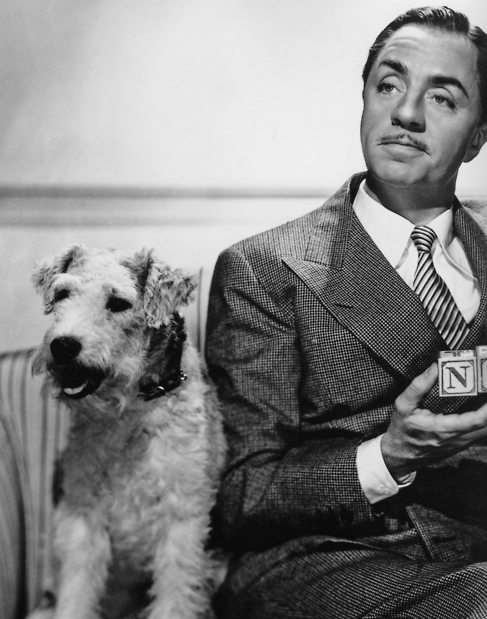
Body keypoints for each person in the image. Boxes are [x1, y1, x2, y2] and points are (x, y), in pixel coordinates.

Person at [205, 6, 487, 618]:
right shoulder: (265, 269)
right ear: (364, 99)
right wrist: (390, 455)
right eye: (389, 85)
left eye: (442, 98)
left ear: (478, 136)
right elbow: (241, 495)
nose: (406, 113)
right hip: (324, 559)